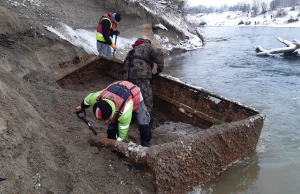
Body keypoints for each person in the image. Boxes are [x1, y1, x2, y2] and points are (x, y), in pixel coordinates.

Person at [75, 81, 152, 147]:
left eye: (105, 120)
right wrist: (81, 107)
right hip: (117, 88)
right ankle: (110, 138)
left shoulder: (124, 112)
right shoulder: (97, 97)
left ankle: (147, 144)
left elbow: (122, 133)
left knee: (143, 122)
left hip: (135, 95)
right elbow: (87, 100)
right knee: (112, 126)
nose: (104, 122)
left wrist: (117, 143)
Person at [121, 38, 164, 114]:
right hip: (140, 74)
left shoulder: (132, 51)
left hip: (126, 76)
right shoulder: (147, 46)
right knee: (147, 97)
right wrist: (160, 68)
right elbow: (158, 53)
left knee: (131, 95)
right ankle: (146, 120)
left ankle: (131, 113)